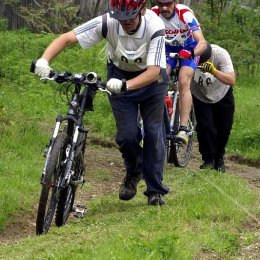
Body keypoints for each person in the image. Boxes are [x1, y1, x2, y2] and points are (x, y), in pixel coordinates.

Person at [34, 0, 169, 206]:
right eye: (120, 17)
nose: (124, 22)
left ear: (142, 10)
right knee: (126, 136)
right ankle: (134, 171)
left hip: (151, 81)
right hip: (118, 74)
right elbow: (67, 38)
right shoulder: (108, 22)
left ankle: (155, 190)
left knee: (153, 132)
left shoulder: (155, 26)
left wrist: (125, 85)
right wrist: (44, 60)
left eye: (129, 17)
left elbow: (153, 72)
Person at [152, 0, 207, 144]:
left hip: (189, 48)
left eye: (168, 3)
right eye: (160, 3)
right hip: (167, 50)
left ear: (176, 2)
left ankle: (183, 128)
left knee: (183, 80)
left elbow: (202, 42)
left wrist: (192, 53)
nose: (164, 7)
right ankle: (165, 106)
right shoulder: (153, 14)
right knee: (158, 78)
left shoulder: (185, 14)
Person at [191, 42, 236, 172]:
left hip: (222, 92)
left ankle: (219, 157)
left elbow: (231, 80)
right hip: (200, 94)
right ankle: (208, 159)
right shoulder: (190, 57)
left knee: (224, 127)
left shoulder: (220, 54)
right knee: (206, 128)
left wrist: (214, 71)